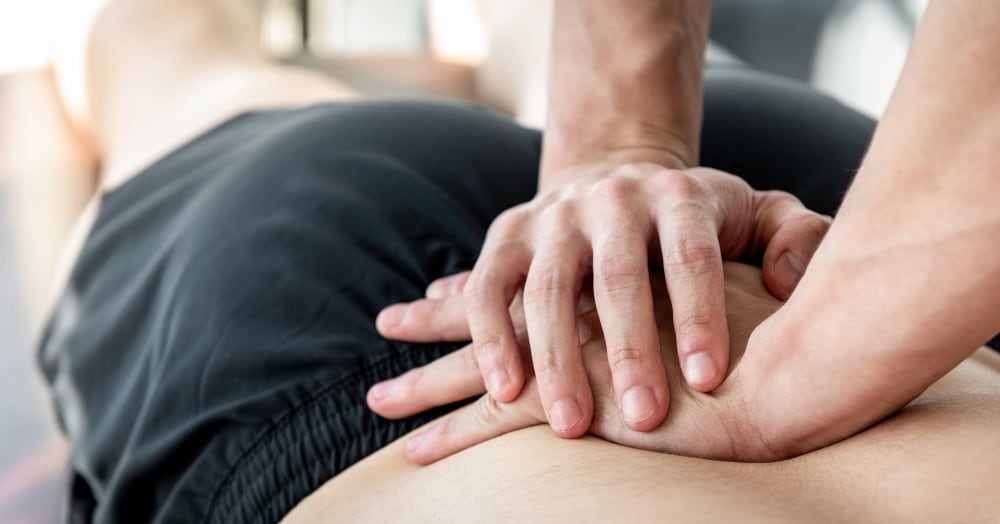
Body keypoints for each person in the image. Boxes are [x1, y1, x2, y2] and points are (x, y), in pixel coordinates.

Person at [32, 0, 995, 522]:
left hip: (873, 262)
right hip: (856, 270)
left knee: (172, 48)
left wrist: (626, 146)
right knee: (176, 61)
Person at [374, 0, 1000, 461]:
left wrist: (618, 144)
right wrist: (619, 150)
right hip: (874, 206)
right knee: (512, 38)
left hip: (858, 198)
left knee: (509, 37)